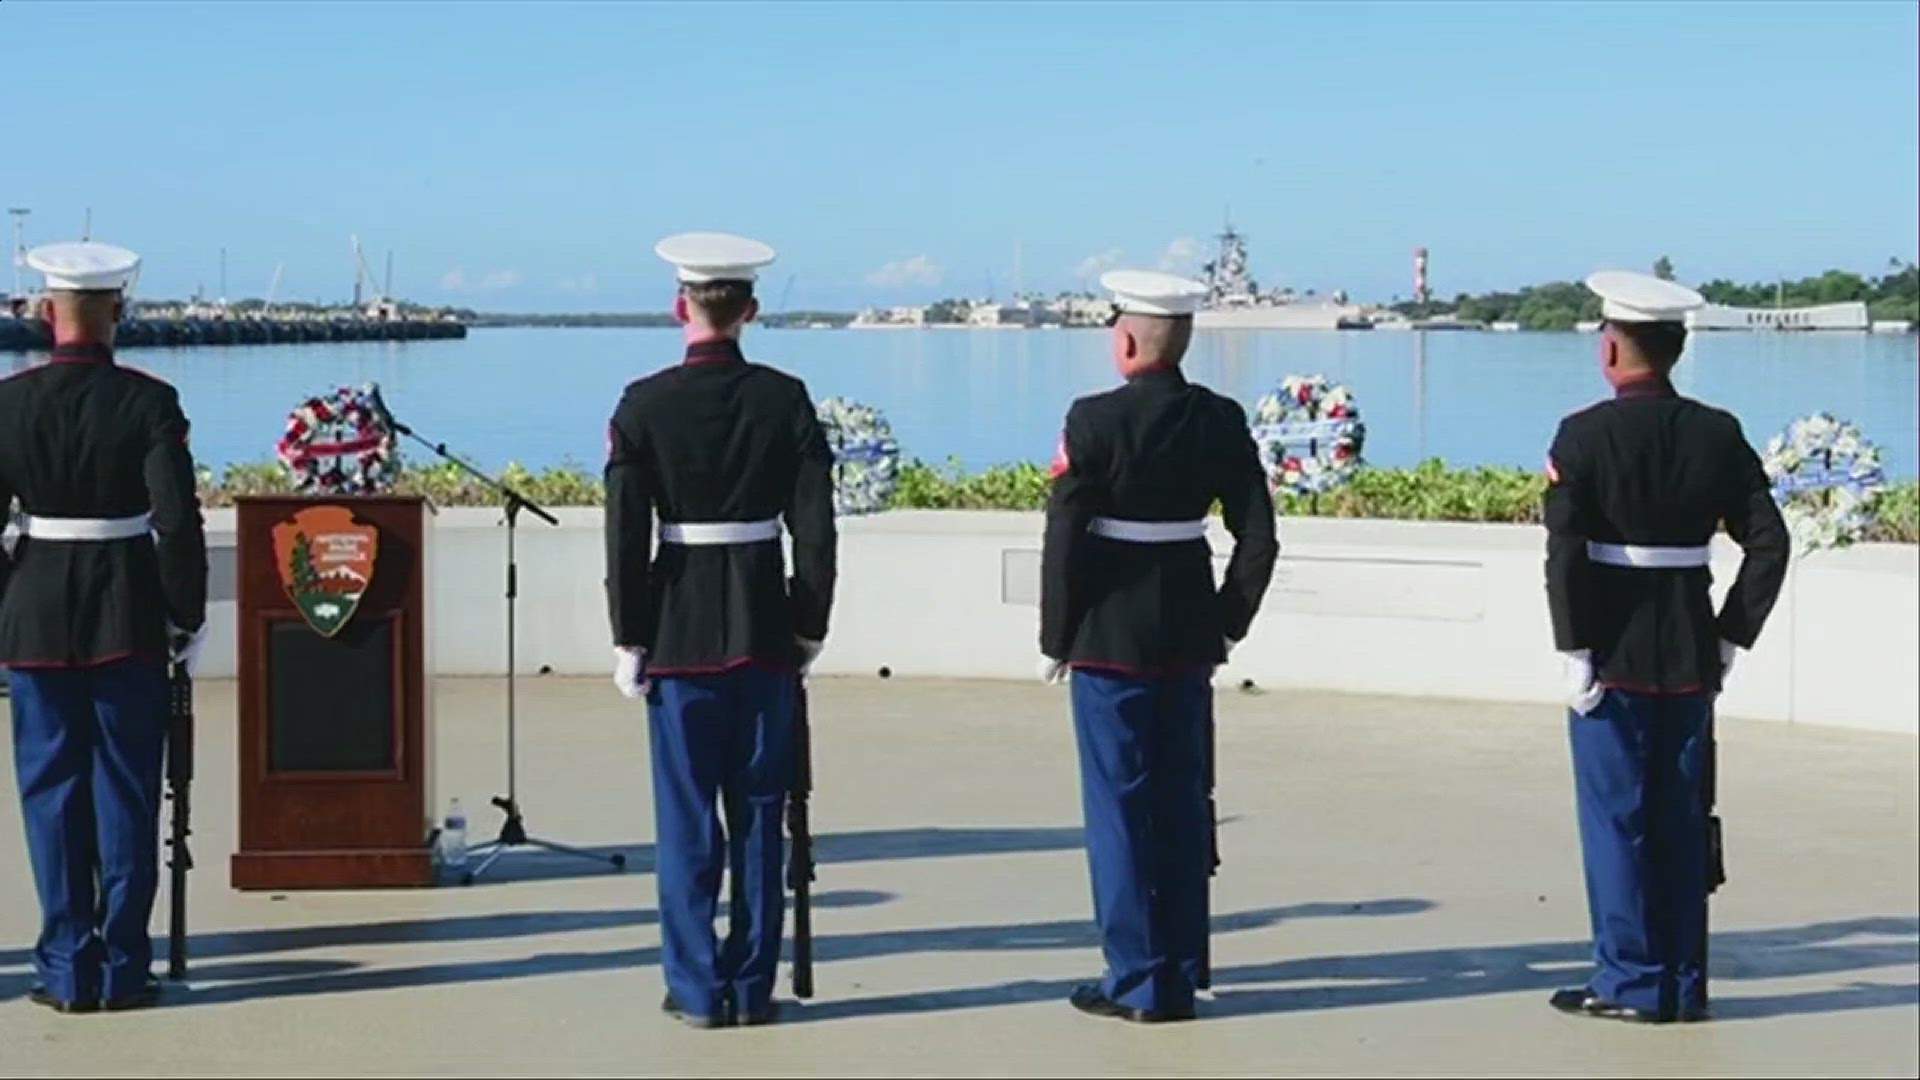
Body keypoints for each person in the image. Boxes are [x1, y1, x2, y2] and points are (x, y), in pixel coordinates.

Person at [604, 232, 836, 1029]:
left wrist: (630, 637)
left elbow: (625, 533)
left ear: (680, 306)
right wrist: (809, 623)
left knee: (687, 823)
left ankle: (698, 988)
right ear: (751, 311)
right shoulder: (785, 399)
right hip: (766, 633)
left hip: (679, 632)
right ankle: (752, 986)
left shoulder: (644, 405)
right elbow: (814, 529)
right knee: (760, 820)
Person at [1545, 270, 1789, 1023]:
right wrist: (1729, 635)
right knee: (1683, 819)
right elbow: (1769, 544)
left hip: (1613, 650)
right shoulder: (1717, 432)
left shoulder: (1582, 434)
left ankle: (1628, 983)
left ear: (1613, 348)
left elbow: (1564, 553)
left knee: (1617, 822)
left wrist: (1575, 646)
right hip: (1688, 647)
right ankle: (1682, 981)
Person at [1038, 268, 1278, 1023]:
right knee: (1182, 806)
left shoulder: (1093, 419)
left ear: (1128, 338)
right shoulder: (1219, 418)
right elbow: (1259, 536)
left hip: (1109, 637)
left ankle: (1137, 979)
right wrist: (1227, 619)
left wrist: (1056, 634)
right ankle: (1179, 966)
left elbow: (1066, 535)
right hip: (1187, 636)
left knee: (1119, 809)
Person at [0, 241, 208, 1014]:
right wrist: (184, 614)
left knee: (50, 792)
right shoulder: (150, 401)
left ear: (44, 313)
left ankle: (65, 967)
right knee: (126, 790)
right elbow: (178, 525)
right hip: (128, 611)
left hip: (35, 618)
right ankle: (122, 966)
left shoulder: (8, 405)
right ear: (117, 311)